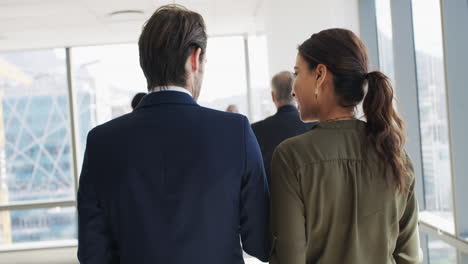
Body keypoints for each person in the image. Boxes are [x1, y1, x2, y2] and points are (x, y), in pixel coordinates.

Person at [77, 5, 270, 264]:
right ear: (194, 58)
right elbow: (260, 242)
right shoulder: (235, 132)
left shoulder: (101, 142)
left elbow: (92, 254)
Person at [270, 28, 421, 264]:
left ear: (320, 74)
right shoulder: (396, 156)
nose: (293, 90)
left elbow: (290, 258)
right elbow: (409, 258)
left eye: (298, 73)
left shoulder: (291, 157)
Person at [251, 71, 316, 184]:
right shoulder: (314, 126)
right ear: (295, 94)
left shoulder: (255, 131)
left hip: (272, 199)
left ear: (273, 96)